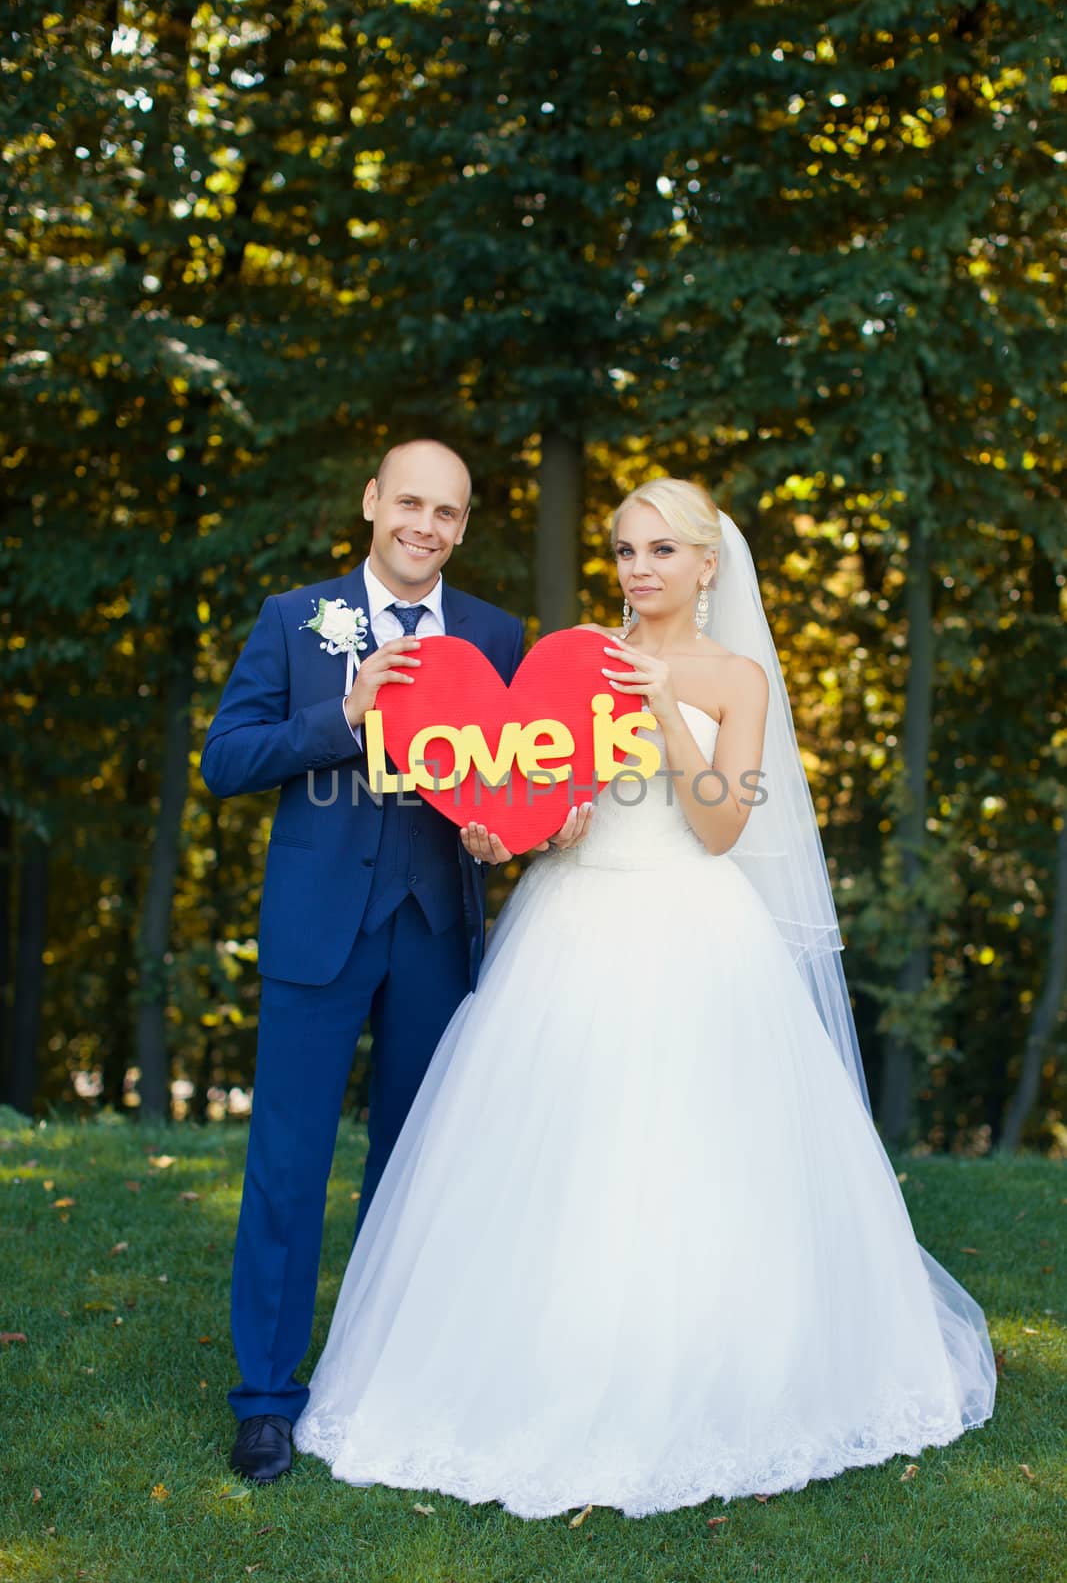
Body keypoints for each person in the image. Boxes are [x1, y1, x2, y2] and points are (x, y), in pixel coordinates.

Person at [290, 476, 997, 1518]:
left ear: (707, 565)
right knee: (551, 1157)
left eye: (661, 551)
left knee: (688, 1161)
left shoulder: (738, 680)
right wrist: (514, 830)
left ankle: (709, 1364)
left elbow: (719, 829)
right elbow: (535, 795)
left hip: (692, 928)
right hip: (569, 924)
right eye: (624, 550)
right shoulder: (572, 661)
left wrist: (662, 704)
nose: (638, 569)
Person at [201, 439, 561, 1485]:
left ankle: (388, 1374)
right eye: (409, 502)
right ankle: (267, 1398)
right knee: (287, 1164)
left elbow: (514, 776)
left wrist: (507, 832)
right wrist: (342, 715)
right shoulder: (294, 618)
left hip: (436, 928)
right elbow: (227, 758)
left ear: (461, 526)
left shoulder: (496, 634)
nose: (425, 526)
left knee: (414, 1168)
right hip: (319, 927)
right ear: (371, 501)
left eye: (446, 513)